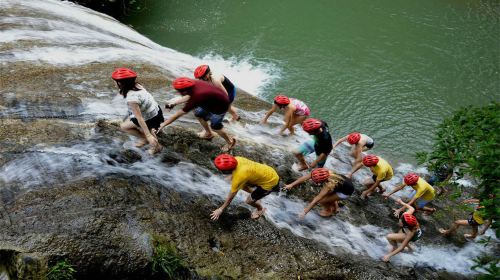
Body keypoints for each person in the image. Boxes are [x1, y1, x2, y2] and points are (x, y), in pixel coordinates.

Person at [156, 77, 236, 152]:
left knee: (215, 126)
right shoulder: (194, 84)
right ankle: (209, 133)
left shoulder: (197, 96)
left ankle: (230, 142)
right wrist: (174, 103)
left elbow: (178, 114)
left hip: (221, 105)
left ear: (184, 90)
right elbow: (189, 96)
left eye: (178, 91)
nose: (178, 92)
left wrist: (162, 125)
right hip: (210, 101)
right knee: (198, 113)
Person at [210, 154, 280, 220]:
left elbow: (230, 199)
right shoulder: (237, 159)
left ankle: (260, 209)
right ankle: (255, 194)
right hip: (269, 171)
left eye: (220, 170)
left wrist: (220, 209)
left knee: (248, 201)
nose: (219, 170)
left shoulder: (240, 177)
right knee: (238, 183)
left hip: (271, 182)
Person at [112, 68, 163, 154]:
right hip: (156, 110)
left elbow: (139, 117)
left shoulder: (131, 98)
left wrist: (148, 135)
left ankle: (156, 146)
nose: (114, 83)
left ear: (120, 83)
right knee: (132, 121)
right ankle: (147, 136)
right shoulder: (137, 85)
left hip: (149, 117)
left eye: (115, 81)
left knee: (124, 127)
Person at [284, 168, 354, 218]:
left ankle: (329, 211)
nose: (312, 180)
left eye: (315, 181)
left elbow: (316, 200)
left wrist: (304, 212)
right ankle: (336, 208)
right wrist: (291, 185)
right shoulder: (321, 172)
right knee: (329, 196)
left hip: (345, 192)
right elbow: (304, 178)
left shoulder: (328, 186)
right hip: (342, 184)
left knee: (322, 201)